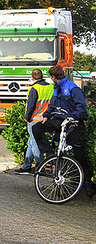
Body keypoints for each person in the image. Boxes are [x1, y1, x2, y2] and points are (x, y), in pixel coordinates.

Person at [32, 65, 95, 197]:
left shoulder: (72, 88)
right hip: (60, 121)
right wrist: (46, 116)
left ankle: (88, 185)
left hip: (74, 123)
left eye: (51, 77)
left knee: (79, 155)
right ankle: (50, 156)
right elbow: (52, 106)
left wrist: (74, 116)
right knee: (37, 127)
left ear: (53, 77)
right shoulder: (57, 88)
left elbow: (82, 108)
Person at [14, 69, 53, 175]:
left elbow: (31, 106)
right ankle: (26, 165)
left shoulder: (34, 89)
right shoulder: (50, 87)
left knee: (34, 143)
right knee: (31, 142)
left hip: (34, 119)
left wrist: (27, 117)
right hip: (45, 119)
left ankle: (39, 167)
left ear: (32, 77)